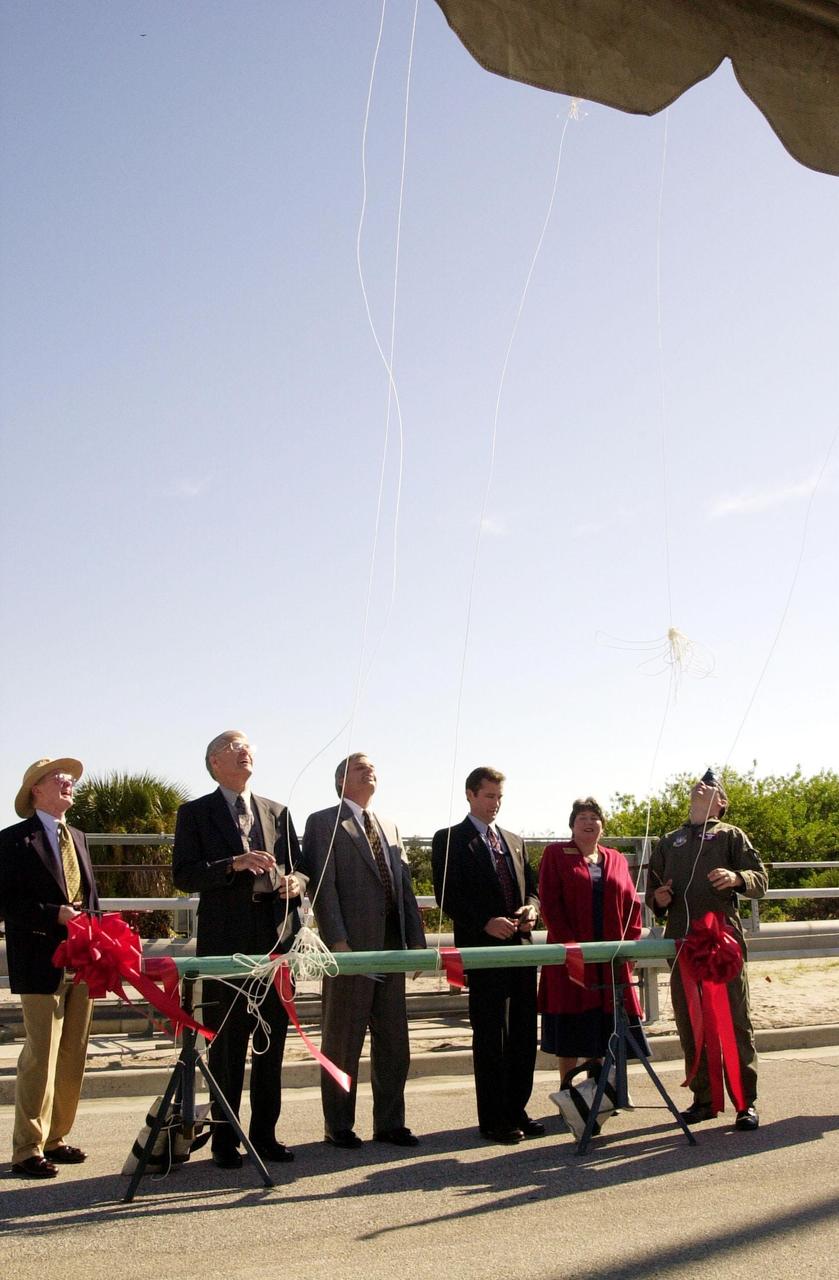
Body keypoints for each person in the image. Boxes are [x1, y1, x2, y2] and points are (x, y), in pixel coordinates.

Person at [172, 730, 306, 1168]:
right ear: (214, 762)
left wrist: (294, 883)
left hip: (273, 943)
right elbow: (185, 875)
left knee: (272, 1041)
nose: (245, 751)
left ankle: (265, 1135)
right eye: (233, 747)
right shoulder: (195, 813)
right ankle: (225, 1141)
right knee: (227, 1045)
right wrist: (233, 863)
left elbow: (300, 868)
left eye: (248, 745)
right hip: (225, 944)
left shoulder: (277, 811)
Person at [302, 753, 426, 1150]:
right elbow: (323, 886)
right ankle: (338, 1125)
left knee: (394, 1040)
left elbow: (403, 886)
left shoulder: (389, 826)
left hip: (392, 947)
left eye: (372, 766)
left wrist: (417, 944)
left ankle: (390, 1123)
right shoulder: (324, 822)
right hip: (350, 950)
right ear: (341, 781)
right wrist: (337, 940)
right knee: (343, 1040)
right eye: (360, 767)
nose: (369, 771)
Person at [645, 769, 767, 1130]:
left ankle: (745, 1102)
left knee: (734, 1022)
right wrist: (659, 899)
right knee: (692, 1024)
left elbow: (760, 879)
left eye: (712, 786)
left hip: (722, 946)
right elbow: (654, 893)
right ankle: (704, 1099)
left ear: (721, 802)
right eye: (700, 784)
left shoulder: (731, 836)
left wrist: (737, 878)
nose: (703, 785)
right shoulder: (669, 841)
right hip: (683, 945)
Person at [0, 757, 100, 1178]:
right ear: (35, 789)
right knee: (40, 1054)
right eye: (59, 777)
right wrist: (52, 915)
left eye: (72, 778)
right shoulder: (13, 840)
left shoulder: (77, 836)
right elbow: (5, 904)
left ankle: (56, 1137)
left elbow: (90, 900)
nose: (69, 782)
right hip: (40, 961)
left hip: (83, 963)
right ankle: (27, 1148)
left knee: (73, 1052)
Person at [432, 766, 542, 1144]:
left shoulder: (513, 840)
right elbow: (448, 896)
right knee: (491, 1035)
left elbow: (533, 889)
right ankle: (494, 1118)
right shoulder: (449, 840)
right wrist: (484, 922)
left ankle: (518, 1109)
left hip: (522, 951)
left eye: (499, 797)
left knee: (525, 1033)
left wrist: (531, 910)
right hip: (483, 951)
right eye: (489, 796)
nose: (495, 804)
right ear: (470, 795)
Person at [538, 797, 648, 1087]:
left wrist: (630, 948)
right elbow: (550, 904)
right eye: (582, 817)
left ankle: (599, 1090)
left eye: (594, 817)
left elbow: (632, 905)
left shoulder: (616, 858)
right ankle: (567, 1091)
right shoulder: (555, 854)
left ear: (603, 825)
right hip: (571, 959)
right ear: (572, 825)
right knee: (572, 1029)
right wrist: (573, 949)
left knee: (603, 1026)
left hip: (611, 960)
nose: (589, 822)